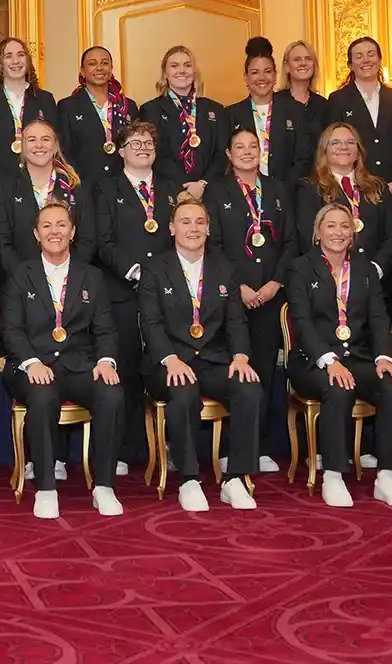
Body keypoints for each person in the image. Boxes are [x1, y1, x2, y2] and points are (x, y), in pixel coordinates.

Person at [139, 195, 262, 512]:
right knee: (182, 392)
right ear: (171, 228)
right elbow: (150, 323)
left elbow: (236, 319)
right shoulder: (154, 268)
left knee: (249, 389)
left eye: (199, 222)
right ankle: (189, 480)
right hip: (169, 362)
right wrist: (170, 359)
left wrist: (240, 356)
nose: (192, 228)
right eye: (185, 221)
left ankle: (235, 478)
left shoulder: (224, 268)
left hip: (216, 359)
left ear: (208, 229)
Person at [285, 202, 392, 508]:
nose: (338, 232)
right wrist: (329, 361)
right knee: (339, 387)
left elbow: (380, 319)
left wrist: (384, 357)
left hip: (357, 358)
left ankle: (387, 475)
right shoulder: (300, 268)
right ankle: (333, 474)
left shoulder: (366, 269)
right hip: (312, 361)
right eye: (330, 225)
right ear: (317, 232)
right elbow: (301, 322)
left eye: (345, 226)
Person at [1, 201, 124, 519]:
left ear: (72, 232)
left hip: (80, 365)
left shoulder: (92, 277)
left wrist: (106, 361)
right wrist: (31, 362)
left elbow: (106, 330)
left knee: (111, 393)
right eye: (46, 226)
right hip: (32, 366)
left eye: (61, 225)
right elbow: (11, 330)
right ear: (36, 233)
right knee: (41, 396)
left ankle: (104, 486)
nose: (54, 231)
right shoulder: (19, 274)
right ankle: (45, 488)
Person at [204, 127, 296, 472]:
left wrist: (275, 283)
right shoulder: (217, 192)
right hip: (231, 297)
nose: (247, 152)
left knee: (265, 372)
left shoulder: (277, 190)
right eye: (239, 147)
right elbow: (211, 244)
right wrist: (238, 285)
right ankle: (231, 447)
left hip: (270, 295)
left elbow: (290, 243)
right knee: (234, 369)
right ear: (228, 154)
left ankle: (258, 446)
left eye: (253, 146)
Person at [94, 120, 181, 474]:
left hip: (168, 295)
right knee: (126, 371)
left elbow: (183, 238)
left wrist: (161, 277)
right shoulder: (105, 189)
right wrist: (134, 271)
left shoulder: (172, 188)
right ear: (121, 150)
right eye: (134, 142)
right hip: (122, 292)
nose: (142, 148)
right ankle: (124, 450)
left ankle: (173, 447)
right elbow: (103, 241)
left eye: (148, 142)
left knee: (170, 366)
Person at [294, 123, 392, 308]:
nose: (344, 147)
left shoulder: (378, 187)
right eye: (335, 142)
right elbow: (308, 237)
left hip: (377, 286)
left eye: (350, 142)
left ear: (358, 149)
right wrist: (337, 273)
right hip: (330, 286)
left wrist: (375, 270)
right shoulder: (310, 188)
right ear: (324, 150)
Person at [0, 119, 93, 277]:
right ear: (22, 147)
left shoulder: (76, 188)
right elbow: (2, 242)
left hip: (70, 282)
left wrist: (66, 274)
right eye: (32, 140)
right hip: (21, 284)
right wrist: (27, 278)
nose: (39, 145)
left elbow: (87, 239)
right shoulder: (6, 190)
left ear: (55, 147)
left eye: (45, 139)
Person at [223, 37, 312, 188]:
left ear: (275, 75)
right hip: (244, 194)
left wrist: (281, 190)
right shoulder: (231, 114)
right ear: (246, 77)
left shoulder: (295, 110)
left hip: (288, 193)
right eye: (255, 72)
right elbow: (226, 161)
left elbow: (303, 159)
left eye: (268, 71)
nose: (262, 78)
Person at [325, 36, 392, 189]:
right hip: (356, 186)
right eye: (359, 56)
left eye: (371, 54)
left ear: (379, 59)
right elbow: (334, 145)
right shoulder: (338, 100)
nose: (366, 60)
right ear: (350, 65)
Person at [140, 45, 226, 197]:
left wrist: (202, 184)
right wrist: (184, 187)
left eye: (187, 65)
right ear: (165, 73)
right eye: (174, 66)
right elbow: (156, 153)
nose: (182, 71)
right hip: (169, 192)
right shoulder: (150, 110)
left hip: (210, 191)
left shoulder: (216, 109)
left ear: (194, 71)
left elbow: (222, 154)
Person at [0, 37, 58, 187]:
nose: (16, 61)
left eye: (20, 55)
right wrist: (3, 182)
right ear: (0, 65)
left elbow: (55, 143)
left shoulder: (45, 99)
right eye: (8, 56)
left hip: (39, 184)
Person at [58, 46, 139, 186]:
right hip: (84, 185)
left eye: (104, 63)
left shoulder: (127, 106)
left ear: (111, 68)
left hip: (123, 186)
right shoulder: (68, 106)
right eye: (92, 63)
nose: (99, 68)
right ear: (82, 71)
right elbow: (64, 150)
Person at [280, 39, 330, 137]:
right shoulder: (275, 103)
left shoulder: (324, 105)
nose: (303, 63)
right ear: (286, 66)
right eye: (297, 59)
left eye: (308, 58)